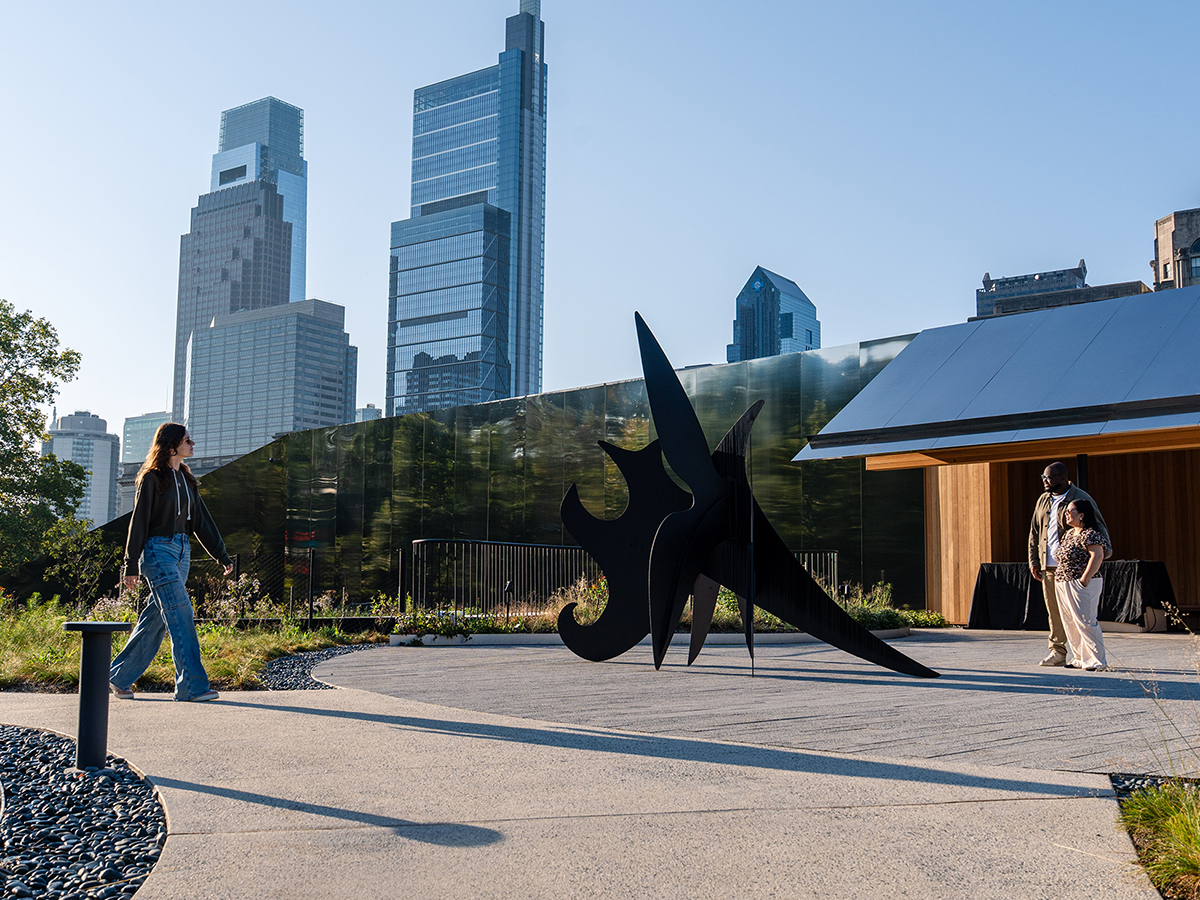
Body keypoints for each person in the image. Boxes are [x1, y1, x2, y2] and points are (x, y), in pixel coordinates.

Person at [109, 423, 233, 702]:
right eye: (188, 440)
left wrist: (220, 553)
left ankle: (118, 676)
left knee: (156, 619)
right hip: (157, 551)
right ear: (172, 445)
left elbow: (201, 520)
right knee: (180, 613)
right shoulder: (152, 479)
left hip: (181, 551)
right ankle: (191, 686)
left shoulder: (188, 480)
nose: (193, 444)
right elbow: (138, 522)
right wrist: (130, 565)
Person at [1027, 462, 1110, 666]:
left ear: (1062, 478)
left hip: (1075, 568)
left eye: (1050, 477)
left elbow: (1097, 524)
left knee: (1082, 617)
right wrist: (1034, 560)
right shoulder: (1043, 500)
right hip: (1049, 565)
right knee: (1058, 614)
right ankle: (1059, 652)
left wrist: (1104, 550)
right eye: (1043, 477)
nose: (1046, 481)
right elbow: (1034, 532)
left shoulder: (1079, 498)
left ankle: (1092, 658)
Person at [1054, 499, 1110, 671]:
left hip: (1081, 582)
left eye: (1070, 511)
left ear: (1082, 514)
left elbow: (1098, 556)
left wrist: (1085, 578)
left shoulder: (1091, 534)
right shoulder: (1069, 534)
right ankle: (1079, 657)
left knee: (1085, 621)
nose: (1066, 514)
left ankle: (1097, 660)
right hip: (1063, 582)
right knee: (1070, 622)